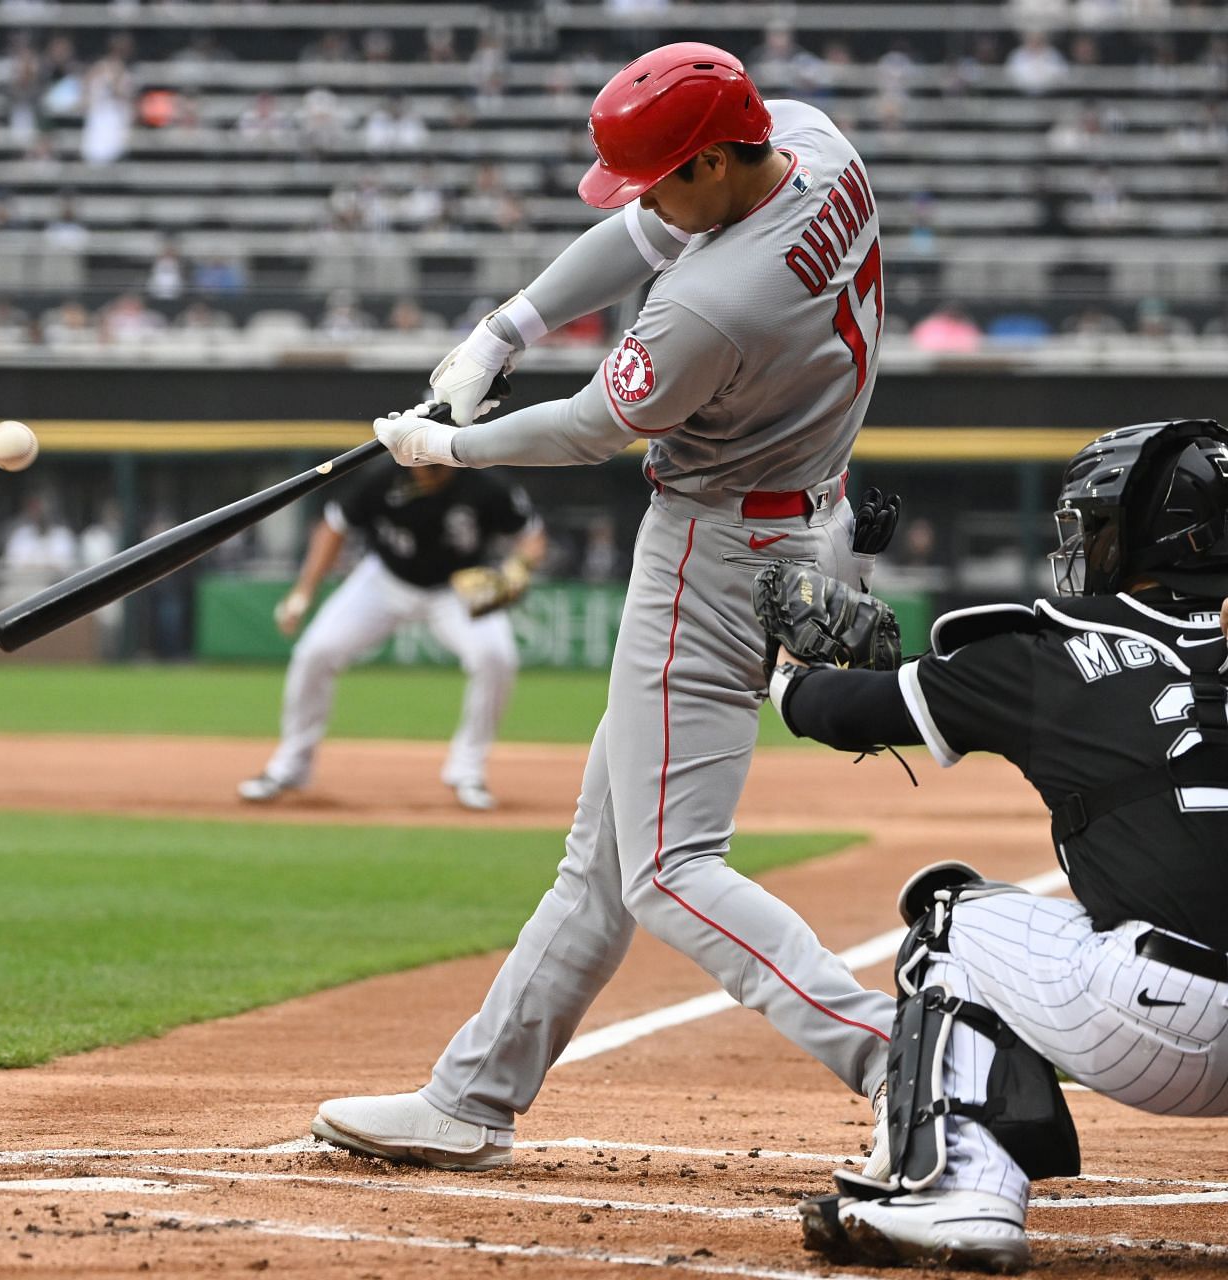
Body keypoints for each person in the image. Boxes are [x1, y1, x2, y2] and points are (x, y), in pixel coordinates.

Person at [314, 44, 900, 1172]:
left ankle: (900, 1053)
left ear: (721, 161)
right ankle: (472, 1094)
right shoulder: (814, 142)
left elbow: (590, 428)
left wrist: (447, 442)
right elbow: (643, 231)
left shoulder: (714, 304)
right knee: (604, 856)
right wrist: (504, 330)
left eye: (666, 176)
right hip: (788, 512)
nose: (648, 201)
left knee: (670, 865)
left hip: (716, 546)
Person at [762, 419, 1228, 1271]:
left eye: (1094, 526)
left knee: (952, 916)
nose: (1083, 545)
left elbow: (844, 712)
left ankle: (962, 1193)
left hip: (1168, 1028)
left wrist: (787, 664)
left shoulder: (1051, 651)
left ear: (1138, 539)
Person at [239, 458, 546, 814]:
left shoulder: (486, 483)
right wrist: (303, 592)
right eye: (420, 463)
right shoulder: (381, 477)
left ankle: (468, 769)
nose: (426, 471)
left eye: (435, 465)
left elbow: (533, 538)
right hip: (385, 580)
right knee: (315, 652)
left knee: (497, 657)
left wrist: (515, 573)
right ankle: (290, 766)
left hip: (459, 587)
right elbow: (333, 528)